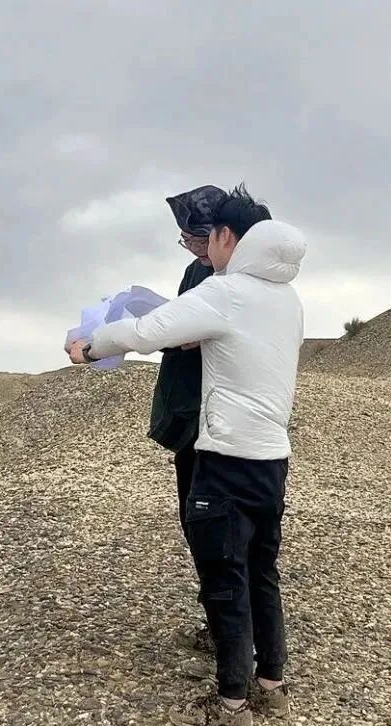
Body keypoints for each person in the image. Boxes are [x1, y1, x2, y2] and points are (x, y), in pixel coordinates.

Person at [69, 185, 305, 726]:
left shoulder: (226, 292)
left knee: (223, 578)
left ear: (226, 237)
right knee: (260, 572)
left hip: (224, 460)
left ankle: (231, 708)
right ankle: (272, 687)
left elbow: (145, 332)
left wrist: (89, 347)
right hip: (272, 460)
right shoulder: (287, 298)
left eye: (207, 237)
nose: (203, 248)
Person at [154, 185, 227, 658]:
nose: (192, 247)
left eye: (196, 238)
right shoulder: (196, 270)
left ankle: (230, 638)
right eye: (185, 239)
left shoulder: (234, 278)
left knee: (217, 525)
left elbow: (194, 334)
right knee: (194, 519)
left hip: (219, 418)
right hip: (189, 413)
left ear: (221, 234)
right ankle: (218, 623)